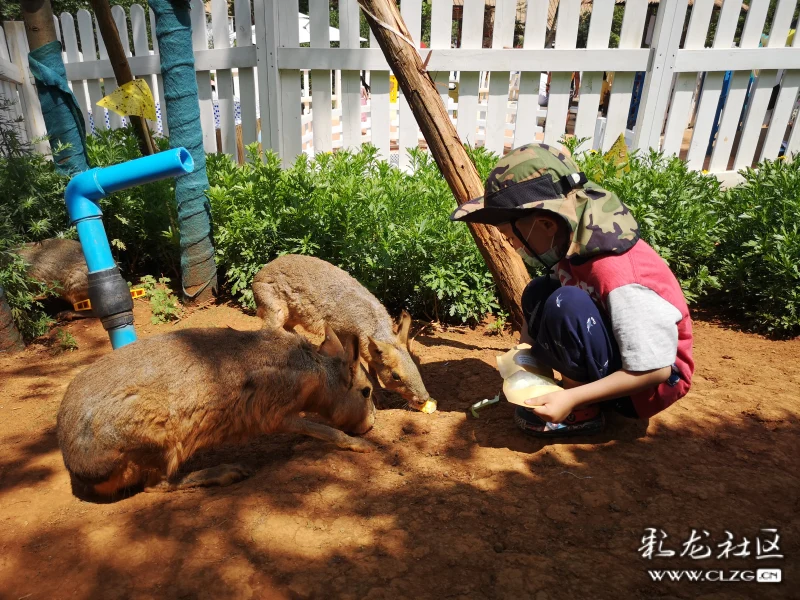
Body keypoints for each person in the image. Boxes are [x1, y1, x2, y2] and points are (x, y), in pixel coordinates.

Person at [451, 143, 694, 437]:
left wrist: (571, 398)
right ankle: (569, 387)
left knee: (566, 303)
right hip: (622, 360)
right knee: (540, 289)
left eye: (509, 235)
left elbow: (656, 370)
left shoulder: (618, 275)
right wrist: (525, 354)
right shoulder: (573, 242)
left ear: (545, 223)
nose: (510, 245)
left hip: (647, 388)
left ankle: (582, 409)